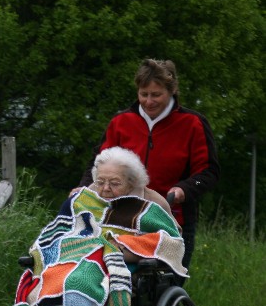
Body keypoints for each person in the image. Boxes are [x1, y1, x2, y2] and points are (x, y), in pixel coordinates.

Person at [11, 147, 186, 306]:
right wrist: (48, 252)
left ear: (132, 182)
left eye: (114, 183)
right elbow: (56, 232)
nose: (105, 188)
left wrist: (125, 246)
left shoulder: (148, 207)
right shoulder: (81, 199)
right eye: (101, 181)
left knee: (78, 285)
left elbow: (171, 242)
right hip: (70, 262)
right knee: (45, 290)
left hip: (116, 270)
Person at [80, 58, 218, 267]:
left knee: (164, 280)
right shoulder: (121, 122)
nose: (149, 101)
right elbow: (97, 163)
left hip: (171, 220)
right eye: (143, 94)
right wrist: (82, 188)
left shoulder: (193, 124)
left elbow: (208, 172)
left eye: (156, 95)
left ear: (172, 91)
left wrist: (185, 188)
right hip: (119, 220)